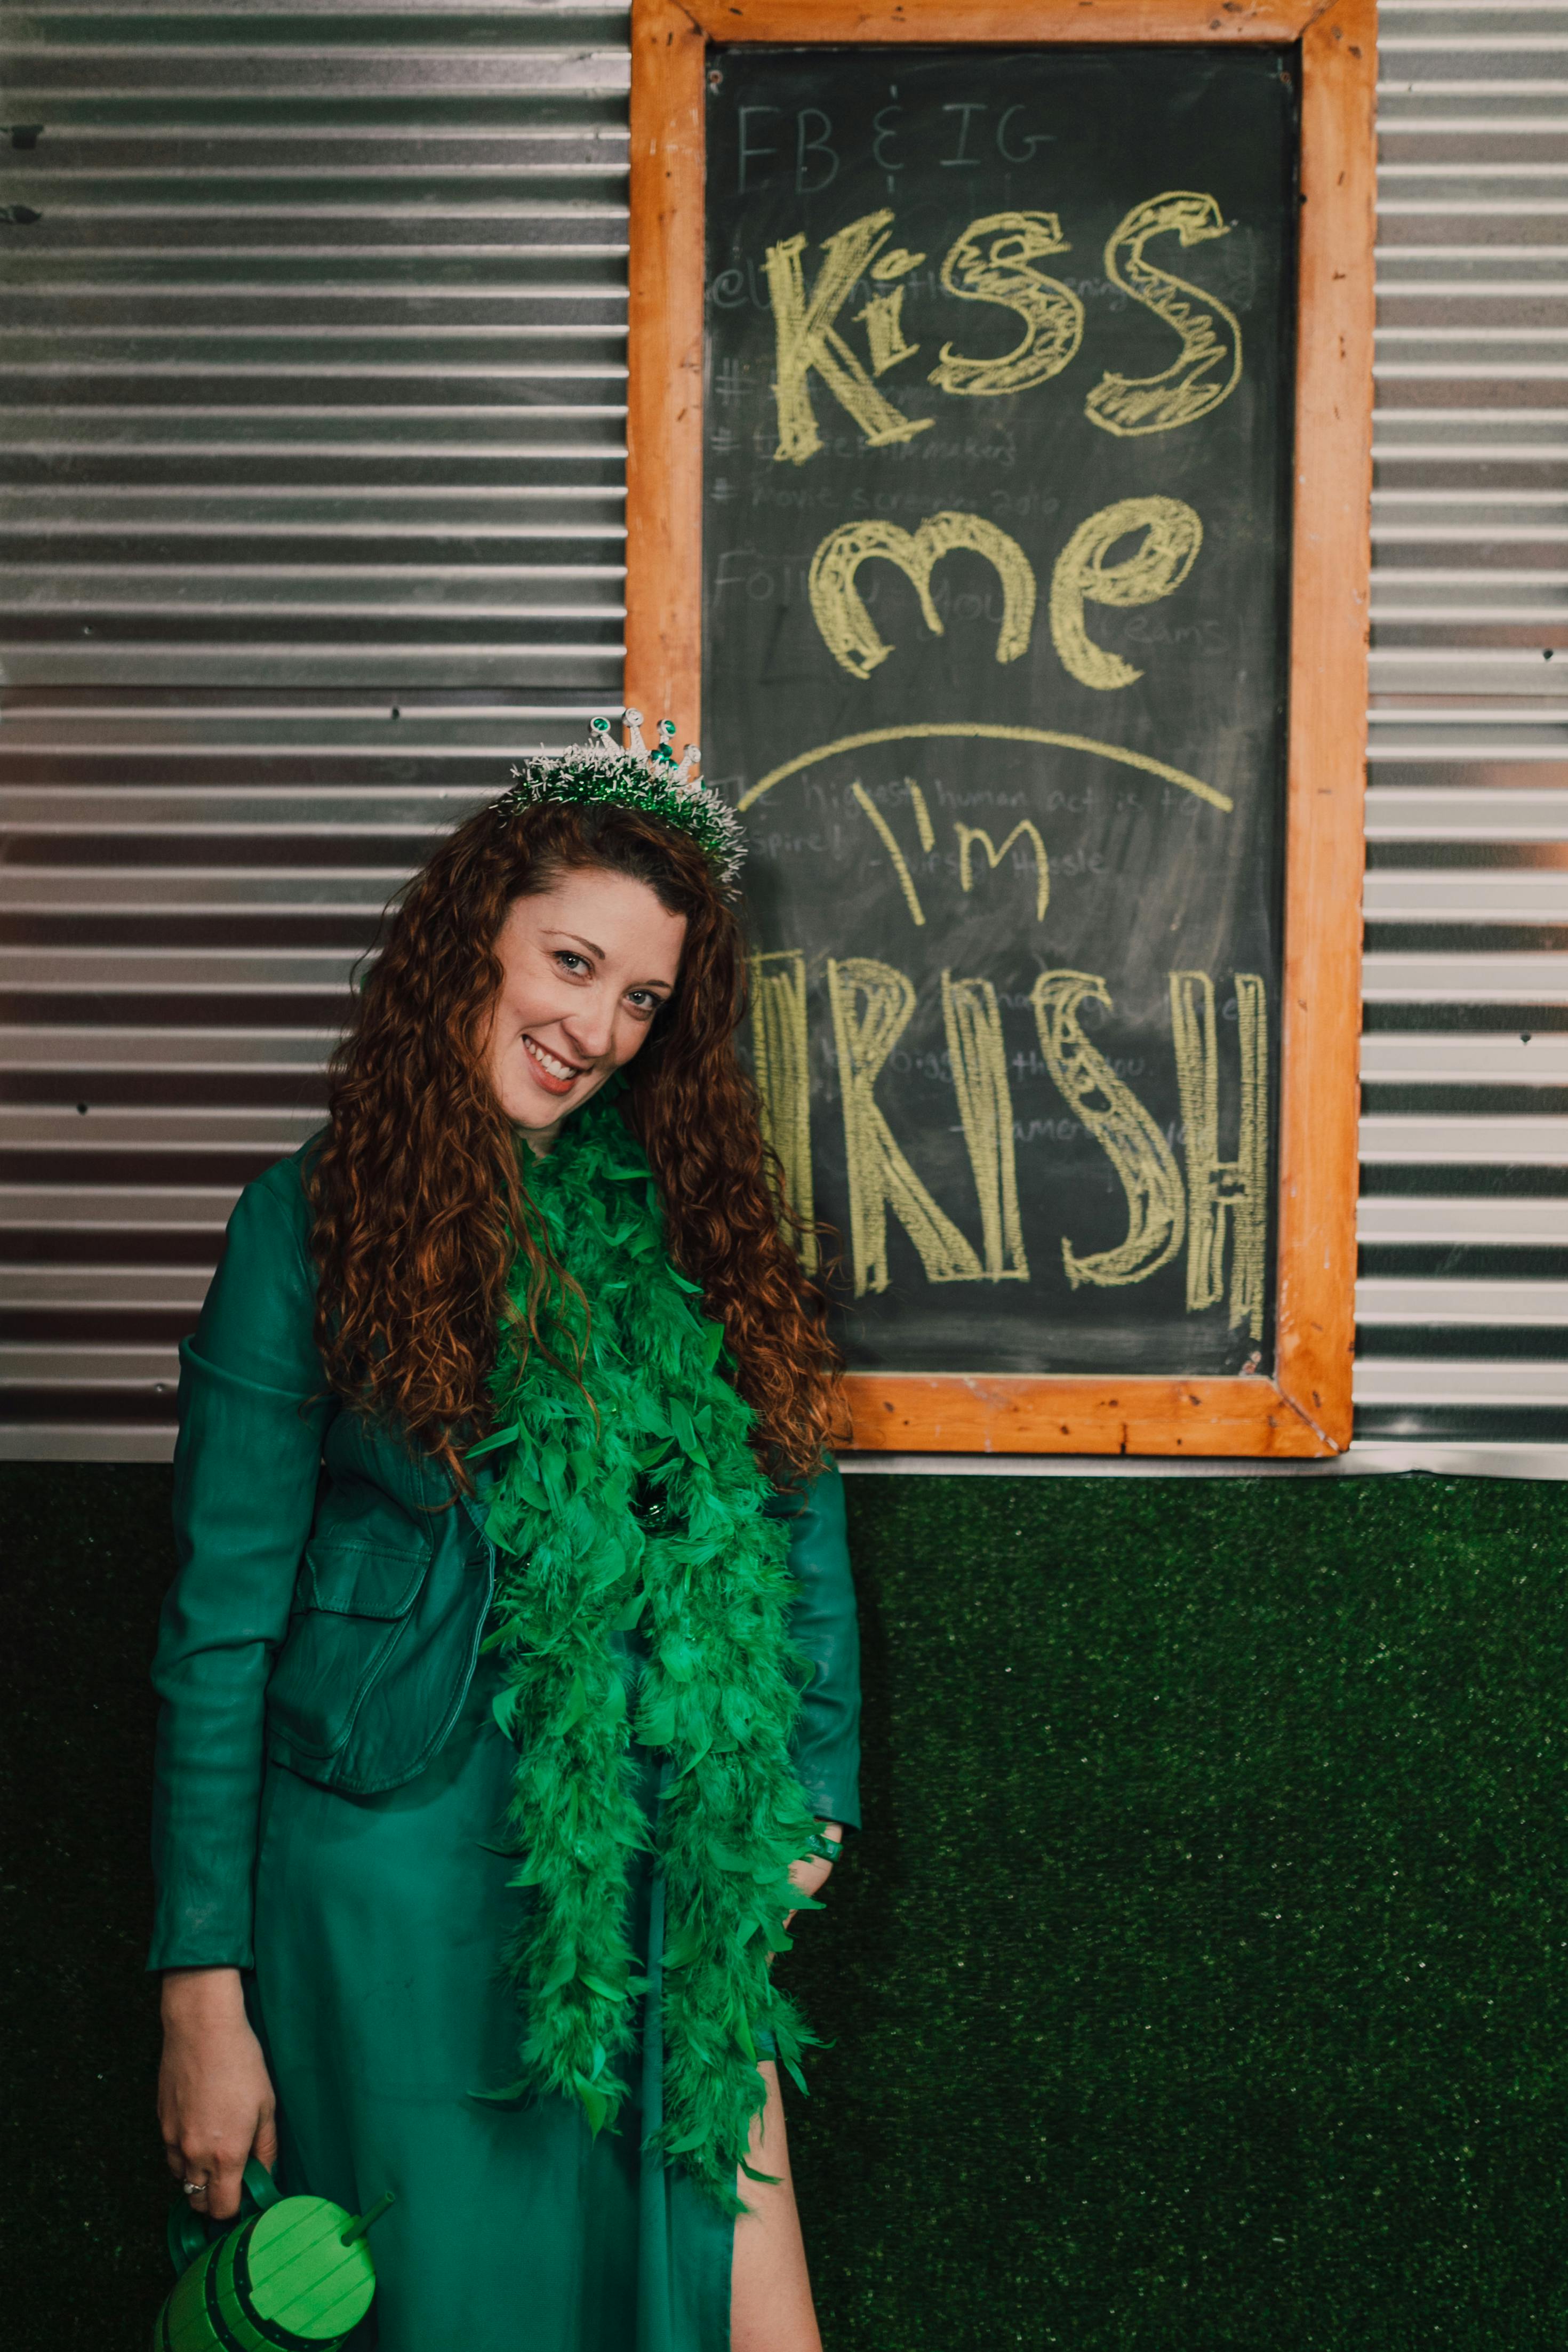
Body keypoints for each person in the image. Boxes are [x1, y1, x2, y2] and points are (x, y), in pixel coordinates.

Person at [148, 715, 861, 2352]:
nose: (594, 1027)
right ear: (477, 933)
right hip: (395, 1876)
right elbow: (221, 1624)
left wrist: (810, 1795)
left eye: (640, 999)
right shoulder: (305, 1224)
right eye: (570, 960)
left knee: (730, 2299)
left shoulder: (695, 1227)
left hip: (658, 1853)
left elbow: (789, 1505)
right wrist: (201, 1990)